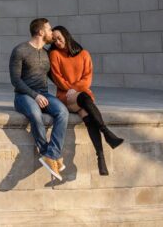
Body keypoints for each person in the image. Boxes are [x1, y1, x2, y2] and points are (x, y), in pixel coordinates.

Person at [48, 25, 123, 175]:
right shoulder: (55, 54)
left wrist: (75, 89)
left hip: (82, 94)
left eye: (59, 38)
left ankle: (100, 157)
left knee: (88, 118)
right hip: (66, 96)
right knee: (84, 97)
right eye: (54, 39)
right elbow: (57, 78)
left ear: (66, 36)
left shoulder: (84, 54)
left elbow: (87, 79)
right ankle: (107, 132)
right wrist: (71, 90)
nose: (57, 41)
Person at [9, 17, 69, 181]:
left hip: (44, 93)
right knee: (36, 114)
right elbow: (15, 80)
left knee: (63, 112)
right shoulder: (20, 50)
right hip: (24, 96)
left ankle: (52, 153)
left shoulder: (47, 53)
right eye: (49, 30)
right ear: (41, 32)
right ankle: (45, 153)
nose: (51, 33)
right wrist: (34, 96)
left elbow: (59, 72)